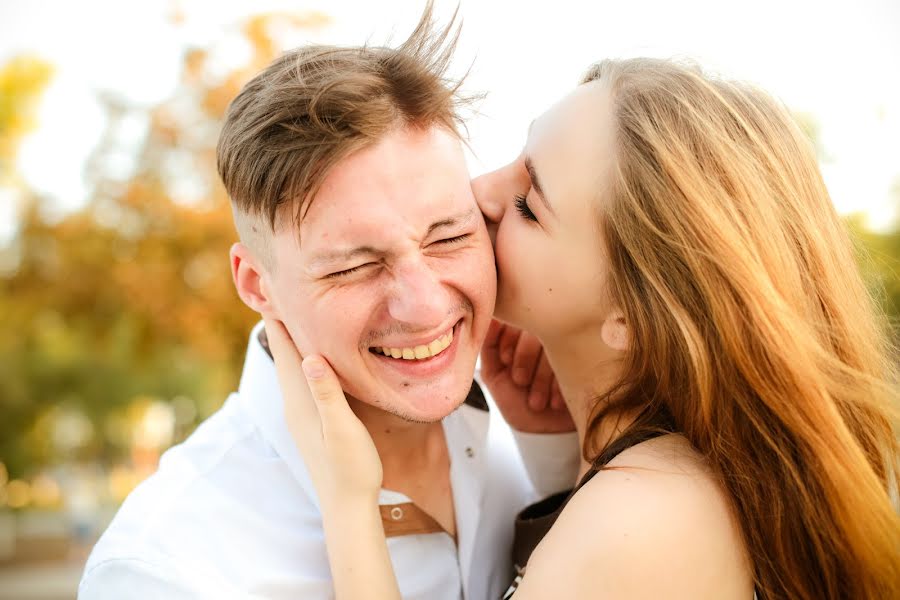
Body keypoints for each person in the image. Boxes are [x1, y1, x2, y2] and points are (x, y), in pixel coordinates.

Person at [268, 57, 900, 599]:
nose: (480, 191)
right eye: (516, 158)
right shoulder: (654, 479)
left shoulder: (646, 516)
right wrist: (555, 455)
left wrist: (349, 501)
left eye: (527, 203)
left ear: (629, 312)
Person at [77, 7, 578, 600]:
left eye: (449, 236)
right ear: (258, 286)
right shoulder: (167, 569)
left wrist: (553, 458)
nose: (423, 306)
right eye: (353, 266)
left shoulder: (528, 446)